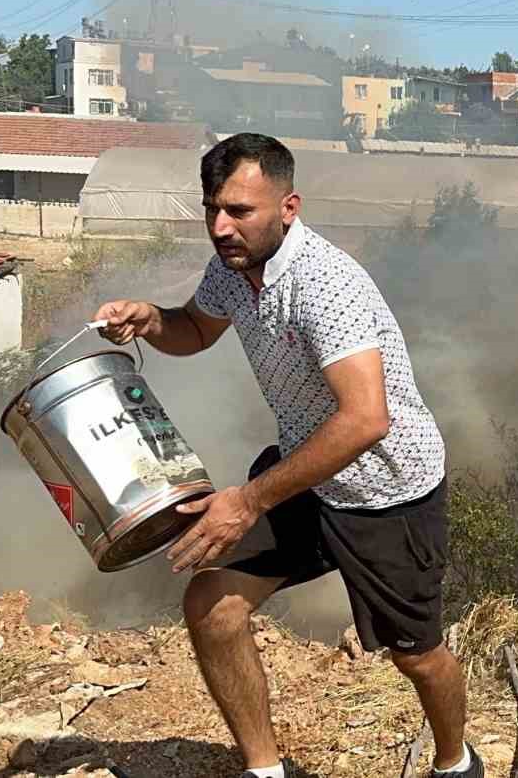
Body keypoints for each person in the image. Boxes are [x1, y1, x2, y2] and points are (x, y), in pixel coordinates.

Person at [93, 133, 482, 778]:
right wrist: (150, 319)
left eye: (240, 211)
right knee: (213, 606)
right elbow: (194, 329)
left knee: (417, 655)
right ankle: (265, 771)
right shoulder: (232, 265)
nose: (221, 227)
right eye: (212, 208)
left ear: (288, 207)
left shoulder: (327, 285)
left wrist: (246, 501)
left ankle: (455, 761)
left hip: (385, 490)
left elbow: (365, 419)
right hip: (305, 471)